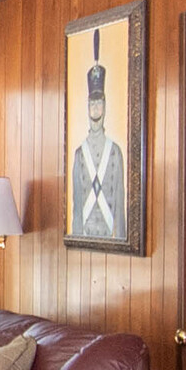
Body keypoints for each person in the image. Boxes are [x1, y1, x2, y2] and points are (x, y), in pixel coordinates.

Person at [70, 59, 127, 243]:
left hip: (108, 235)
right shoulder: (80, 154)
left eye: (99, 103)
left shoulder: (115, 152)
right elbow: (77, 207)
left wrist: (120, 240)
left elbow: (119, 205)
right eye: (92, 103)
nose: (95, 108)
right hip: (86, 236)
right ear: (87, 108)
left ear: (105, 106)